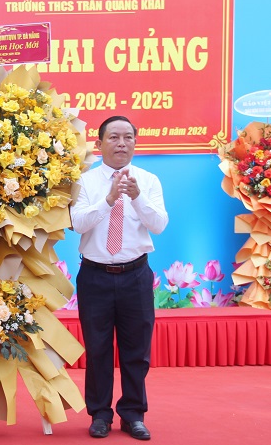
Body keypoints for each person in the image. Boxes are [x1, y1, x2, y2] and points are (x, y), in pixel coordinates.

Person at [70, 115, 168, 441]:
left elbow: (159, 225)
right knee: (97, 349)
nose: (121, 143)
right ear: (98, 144)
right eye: (113, 137)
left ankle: (133, 414)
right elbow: (78, 223)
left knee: (136, 350)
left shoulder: (149, 180)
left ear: (136, 142)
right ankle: (99, 414)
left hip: (135, 275)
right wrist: (109, 199)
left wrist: (137, 197)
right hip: (95, 276)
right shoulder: (84, 182)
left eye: (128, 137)